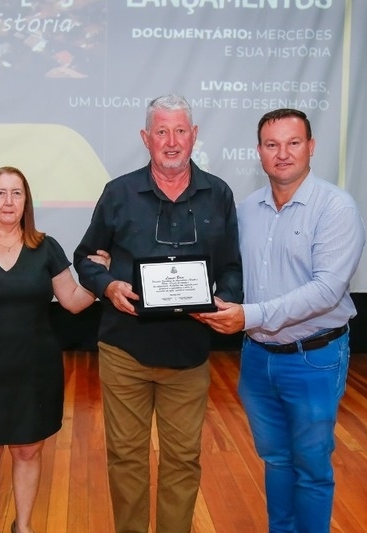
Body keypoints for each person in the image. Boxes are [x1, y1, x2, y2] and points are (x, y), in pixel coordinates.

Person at [73, 94, 243, 533]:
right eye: (162, 132)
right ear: (145, 138)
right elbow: (86, 256)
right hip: (124, 350)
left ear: (194, 135)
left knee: (183, 460)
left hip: (189, 352)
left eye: (180, 131)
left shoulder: (218, 193)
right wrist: (107, 285)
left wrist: (223, 299)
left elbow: (231, 267)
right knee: (126, 459)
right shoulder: (119, 192)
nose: (171, 141)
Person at [195, 108, 366, 532]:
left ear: (311, 147)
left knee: (311, 466)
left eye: (293, 143)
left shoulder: (336, 208)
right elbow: (231, 271)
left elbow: (326, 290)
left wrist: (249, 315)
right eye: (272, 145)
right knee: (275, 459)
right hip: (257, 356)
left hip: (314, 358)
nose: (283, 153)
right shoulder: (247, 209)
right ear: (259, 152)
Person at [0, 166, 101, 533]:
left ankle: (24, 527)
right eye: (0, 193)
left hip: (34, 369)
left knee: (28, 450)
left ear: (26, 201)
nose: (8, 201)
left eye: (16, 193)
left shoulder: (45, 247)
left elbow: (73, 300)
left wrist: (99, 277)